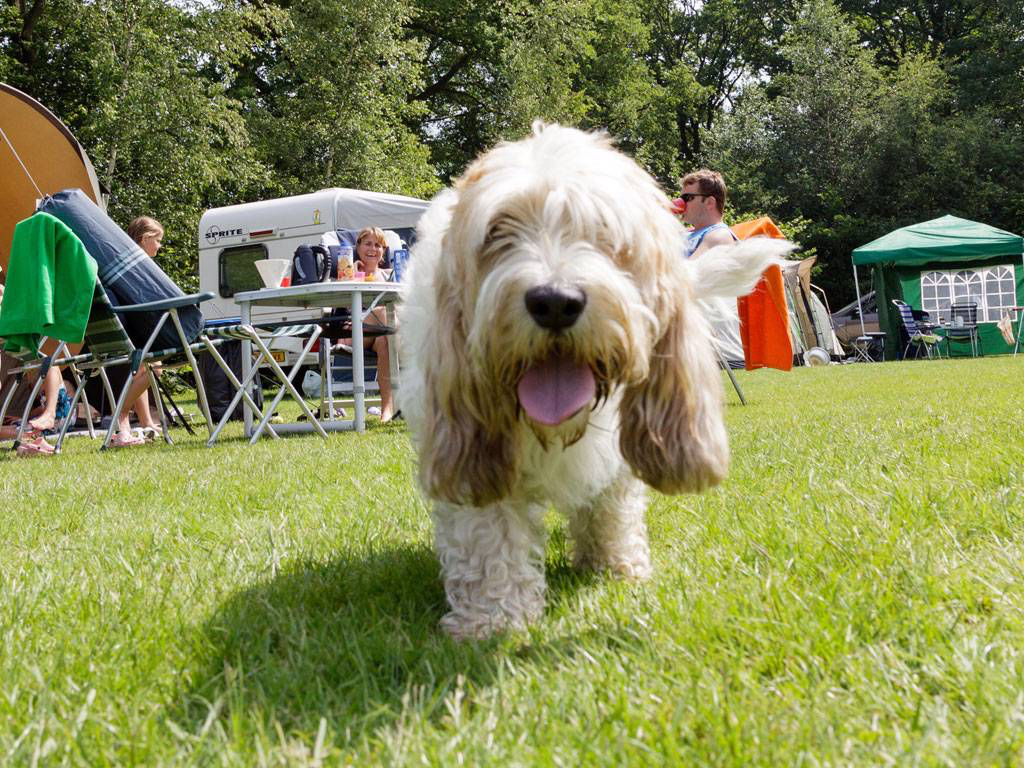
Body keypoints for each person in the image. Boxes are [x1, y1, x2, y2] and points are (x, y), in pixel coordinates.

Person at [343, 226, 395, 422]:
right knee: (383, 311)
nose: (373, 249)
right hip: (351, 333)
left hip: (381, 334)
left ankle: (387, 410)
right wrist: (349, 276)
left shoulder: (390, 275)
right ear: (358, 247)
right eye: (368, 244)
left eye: (378, 245)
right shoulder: (348, 271)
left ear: (384, 251)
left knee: (384, 341)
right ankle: (408, 345)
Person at [123, 216, 165, 439]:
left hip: (129, 328)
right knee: (154, 367)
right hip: (138, 328)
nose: (159, 245)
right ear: (145, 238)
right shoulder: (141, 264)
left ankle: (146, 420)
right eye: (157, 240)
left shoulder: (126, 260)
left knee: (143, 369)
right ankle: (121, 413)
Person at [676, 169, 737, 260]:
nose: (681, 203)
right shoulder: (685, 233)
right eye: (681, 198)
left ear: (709, 203)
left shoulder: (719, 235)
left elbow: (686, 269)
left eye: (687, 198)